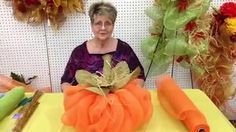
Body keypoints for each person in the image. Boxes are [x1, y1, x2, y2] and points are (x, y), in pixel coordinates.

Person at [61, 2, 145, 91]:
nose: (103, 28)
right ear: (92, 25)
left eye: (108, 23)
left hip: (118, 102)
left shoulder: (124, 49)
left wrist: (128, 95)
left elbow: (140, 76)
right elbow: (65, 82)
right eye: (98, 23)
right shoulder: (79, 52)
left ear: (113, 25)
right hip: (88, 102)